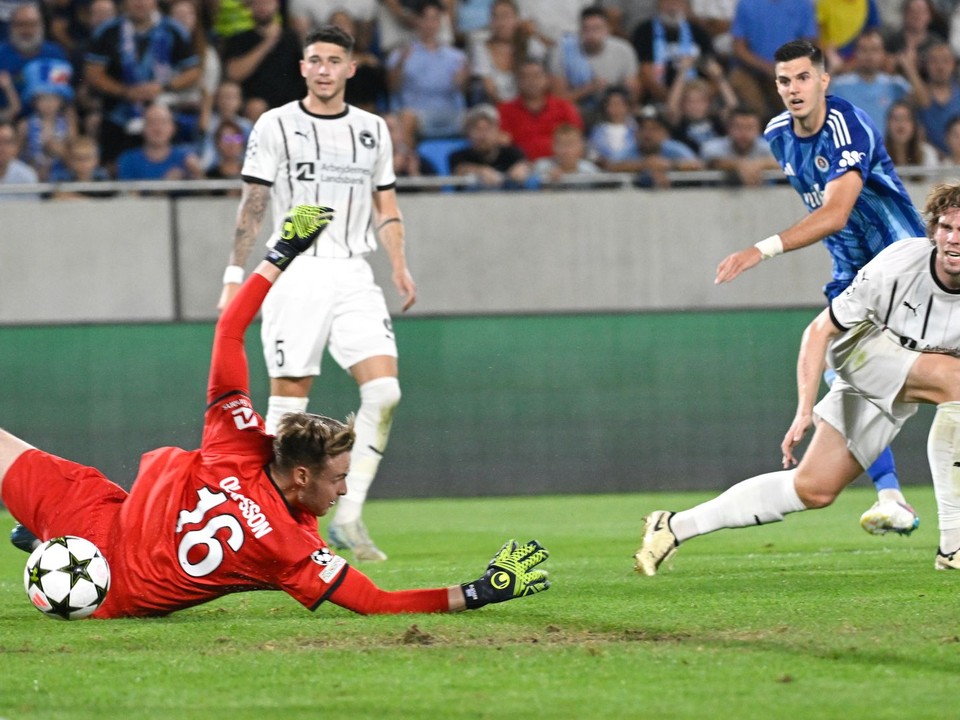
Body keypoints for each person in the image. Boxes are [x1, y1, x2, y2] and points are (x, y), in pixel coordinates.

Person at [3, 204, 551, 617]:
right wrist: (481, 592)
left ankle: (48, 535)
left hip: (106, 533)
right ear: (303, 473)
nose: (343, 491)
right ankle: (47, 537)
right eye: (339, 479)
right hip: (115, 575)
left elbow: (229, 330)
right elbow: (378, 603)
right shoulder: (291, 549)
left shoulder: (239, 437)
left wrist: (280, 253)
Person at [635, 181, 960, 576]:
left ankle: (672, 526)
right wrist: (804, 410)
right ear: (933, 231)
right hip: (862, 352)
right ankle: (953, 547)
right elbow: (820, 331)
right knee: (956, 381)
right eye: (946, 227)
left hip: (908, 372)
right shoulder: (901, 262)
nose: (953, 240)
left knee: (814, 488)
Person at [217, 25, 417, 564]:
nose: (325, 68)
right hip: (296, 271)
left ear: (351, 68)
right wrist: (234, 276)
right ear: (303, 67)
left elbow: (386, 204)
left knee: (385, 393)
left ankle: (348, 519)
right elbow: (254, 202)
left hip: (354, 270)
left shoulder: (373, 130)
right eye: (315, 60)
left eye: (335, 60)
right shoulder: (275, 124)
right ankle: (265, 524)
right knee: (286, 410)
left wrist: (398, 265)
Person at [714, 40, 926, 534]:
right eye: (785, 81)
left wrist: (758, 250)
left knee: (918, 375)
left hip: (900, 263)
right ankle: (892, 497)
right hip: (852, 274)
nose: (794, 89)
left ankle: (897, 497)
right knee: (844, 373)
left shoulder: (846, 126)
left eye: (804, 78)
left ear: (824, 80)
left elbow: (834, 214)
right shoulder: (777, 134)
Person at [84, 0, 200, 166]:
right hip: (118, 116)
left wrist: (163, 87)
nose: (140, 3)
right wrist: (124, 91)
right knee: (115, 169)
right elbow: (93, 73)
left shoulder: (174, 30)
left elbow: (193, 71)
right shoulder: (107, 31)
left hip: (163, 115)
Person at [386, 0, 468, 145]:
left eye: (435, 19)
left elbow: (462, 90)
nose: (430, 24)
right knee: (406, 118)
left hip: (449, 113)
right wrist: (400, 65)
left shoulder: (457, 57)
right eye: (425, 18)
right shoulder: (400, 54)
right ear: (417, 21)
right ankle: (407, 161)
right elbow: (392, 88)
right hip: (417, 114)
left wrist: (462, 81)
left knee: (482, 118)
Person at [726, 0, 818, 122]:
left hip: (790, 71)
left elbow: (809, 44)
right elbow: (739, 48)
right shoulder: (746, 4)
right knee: (740, 84)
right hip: (750, 70)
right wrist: (767, 68)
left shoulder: (802, 4)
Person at [548, 5, 640, 123]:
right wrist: (589, 88)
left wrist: (611, 93)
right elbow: (558, 100)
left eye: (597, 29)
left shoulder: (623, 49)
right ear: (579, 30)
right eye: (586, 29)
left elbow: (633, 92)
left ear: (608, 30)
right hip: (577, 112)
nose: (591, 35)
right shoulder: (563, 51)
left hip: (613, 109)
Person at [221, 0, 303, 113]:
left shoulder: (291, 38)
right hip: (252, 106)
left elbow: (304, 74)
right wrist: (267, 43)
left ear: (277, 5)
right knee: (256, 106)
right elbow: (233, 74)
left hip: (289, 105)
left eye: (267, 2)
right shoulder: (239, 39)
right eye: (257, 3)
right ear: (249, 7)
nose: (262, 7)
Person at [828, 29, 916, 134]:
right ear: (855, 54)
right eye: (864, 50)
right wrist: (832, 70)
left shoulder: (894, 84)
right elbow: (817, 107)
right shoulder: (840, 85)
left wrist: (910, 68)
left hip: (886, 148)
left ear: (883, 53)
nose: (869, 55)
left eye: (875, 50)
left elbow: (923, 102)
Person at [498, 58, 583, 161]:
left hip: (559, 169)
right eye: (525, 77)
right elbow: (501, 143)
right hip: (520, 170)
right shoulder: (504, 110)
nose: (531, 81)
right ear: (518, 81)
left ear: (547, 79)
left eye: (536, 76)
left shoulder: (564, 108)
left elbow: (576, 140)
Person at [448, 103, 531, 190]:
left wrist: (521, 169)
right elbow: (459, 170)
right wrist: (480, 171)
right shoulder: (457, 156)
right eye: (477, 129)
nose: (483, 135)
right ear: (468, 133)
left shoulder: (513, 153)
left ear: (497, 131)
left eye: (488, 129)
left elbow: (525, 165)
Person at [115, 101, 203, 181]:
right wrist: (164, 185)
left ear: (173, 127)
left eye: (163, 122)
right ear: (143, 128)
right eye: (152, 122)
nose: (157, 128)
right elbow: (130, 197)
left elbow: (205, 195)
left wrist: (198, 175)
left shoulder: (186, 157)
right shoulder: (128, 160)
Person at [699, 105, 778, 186]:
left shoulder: (769, 146)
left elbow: (784, 161)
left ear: (759, 130)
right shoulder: (712, 146)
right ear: (728, 128)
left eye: (749, 128)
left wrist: (760, 164)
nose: (743, 133)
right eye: (738, 127)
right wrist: (739, 165)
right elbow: (712, 162)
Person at [883, 99, 940, 181]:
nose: (900, 123)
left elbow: (932, 187)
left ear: (914, 125)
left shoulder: (927, 154)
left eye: (906, 118)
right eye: (895, 118)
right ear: (887, 124)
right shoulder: (877, 155)